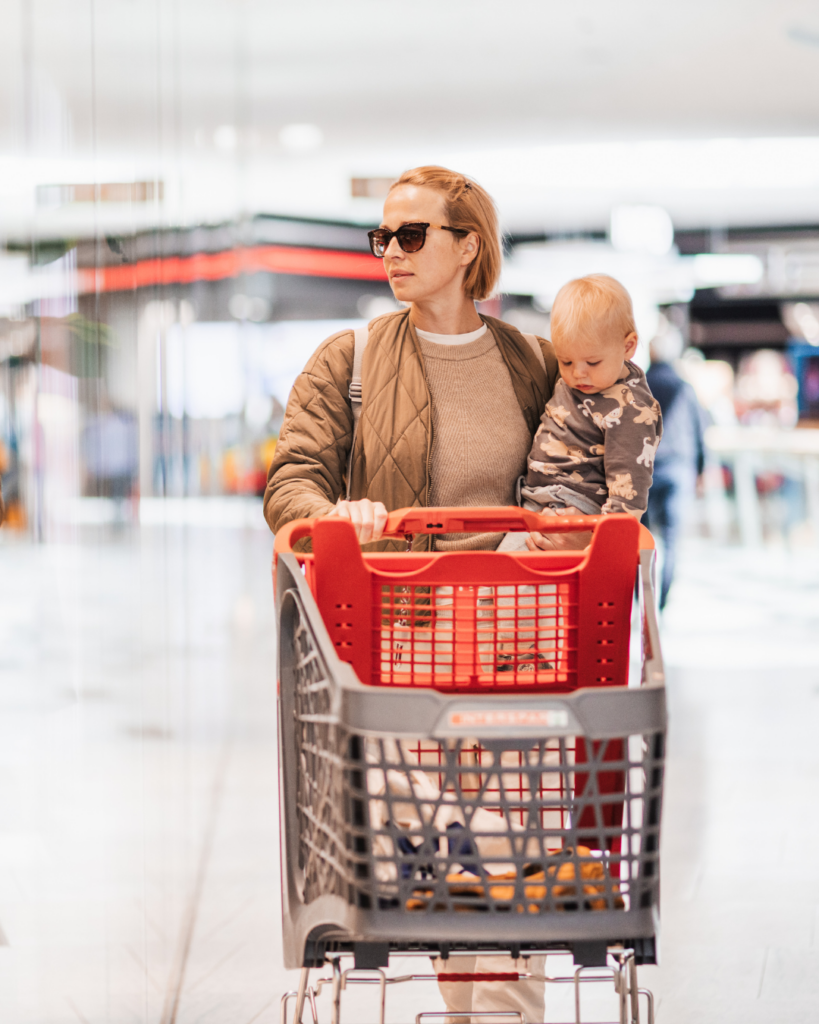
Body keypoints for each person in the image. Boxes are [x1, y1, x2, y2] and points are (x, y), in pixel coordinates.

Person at [265, 165, 563, 1022]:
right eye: (382, 236)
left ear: (468, 245)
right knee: (437, 847)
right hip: (399, 637)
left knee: (513, 843)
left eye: (412, 234)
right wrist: (335, 516)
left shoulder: (530, 362)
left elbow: (581, 473)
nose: (390, 251)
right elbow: (292, 480)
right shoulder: (350, 359)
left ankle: (501, 1013)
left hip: (517, 636)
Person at [497, 274, 662, 552]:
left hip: (572, 506)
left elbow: (629, 492)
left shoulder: (630, 410)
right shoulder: (584, 377)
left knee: (503, 581)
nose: (578, 373)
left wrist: (602, 548)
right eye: (566, 361)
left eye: (593, 362)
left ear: (628, 347)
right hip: (540, 497)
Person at [645, 326, 706, 610]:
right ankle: (663, 604)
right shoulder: (684, 387)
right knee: (671, 540)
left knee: (641, 542)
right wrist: (701, 471)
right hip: (679, 468)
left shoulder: (639, 386)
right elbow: (699, 433)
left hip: (643, 471)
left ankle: (640, 600)